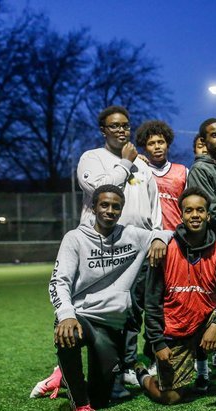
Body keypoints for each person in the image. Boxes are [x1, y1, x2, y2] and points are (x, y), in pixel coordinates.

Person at [32, 185, 170, 411]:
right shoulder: (75, 238)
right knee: (67, 334)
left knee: (101, 399)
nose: (110, 210)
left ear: (121, 210)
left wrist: (159, 238)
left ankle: (63, 376)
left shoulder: (132, 235)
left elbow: (169, 233)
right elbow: (59, 282)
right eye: (104, 205)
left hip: (112, 324)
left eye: (116, 206)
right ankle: (80, 407)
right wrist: (66, 315)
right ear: (93, 207)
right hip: (81, 316)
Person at [137, 187, 216, 405]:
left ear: (208, 215)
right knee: (170, 397)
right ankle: (142, 375)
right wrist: (158, 342)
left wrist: (215, 326)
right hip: (175, 331)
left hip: (205, 324)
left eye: (200, 210)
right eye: (189, 210)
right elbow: (152, 302)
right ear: (181, 215)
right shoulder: (165, 249)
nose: (195, 215)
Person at [75, 105, 163, 396]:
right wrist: (125, 162)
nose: (122, 130)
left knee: (136, 310)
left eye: (125, 125)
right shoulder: (91, 158)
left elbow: (154, 207)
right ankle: (107, 372)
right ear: (103, 130)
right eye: (115, 126)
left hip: (139, 249)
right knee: (106, 312)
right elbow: (102, 191)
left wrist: (157, 238)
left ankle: (128, 365)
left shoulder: (143, 166)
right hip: (104, 248)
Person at [135, 120, 188, 231]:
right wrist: (135, 163)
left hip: (177, 235)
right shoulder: (140, 172)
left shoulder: (183, 172)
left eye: (160, 142)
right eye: (151, 143)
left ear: (167, 144)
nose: (157, 147)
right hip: (149, 235)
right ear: (145, 148)